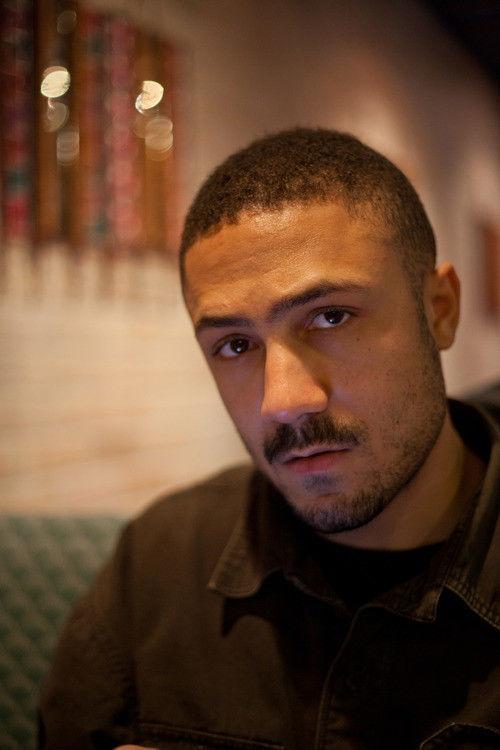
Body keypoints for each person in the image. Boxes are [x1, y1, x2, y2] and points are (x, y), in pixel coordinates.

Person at [39, 129, 500, 750]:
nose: (283, 401)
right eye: (236, 345)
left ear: (440, 309)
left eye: (330, 316)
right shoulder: (155, 566)